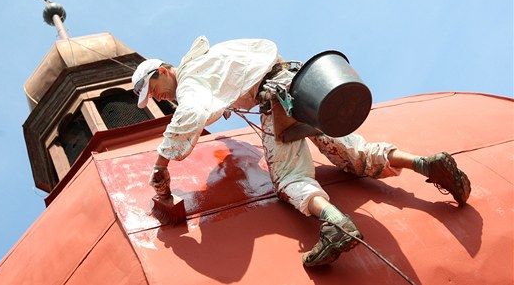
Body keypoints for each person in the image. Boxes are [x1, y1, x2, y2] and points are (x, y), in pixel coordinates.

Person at [131, 36, 471, 267]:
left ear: (163, 71)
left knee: (289, 178)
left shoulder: (190, 80)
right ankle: (425, 163)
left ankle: (336, 224)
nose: (158, 98)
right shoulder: (212, 55)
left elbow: (188, 116)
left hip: (275, 101)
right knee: (357, 154)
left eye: (154, 89)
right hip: (303, 86)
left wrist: (161, 164)